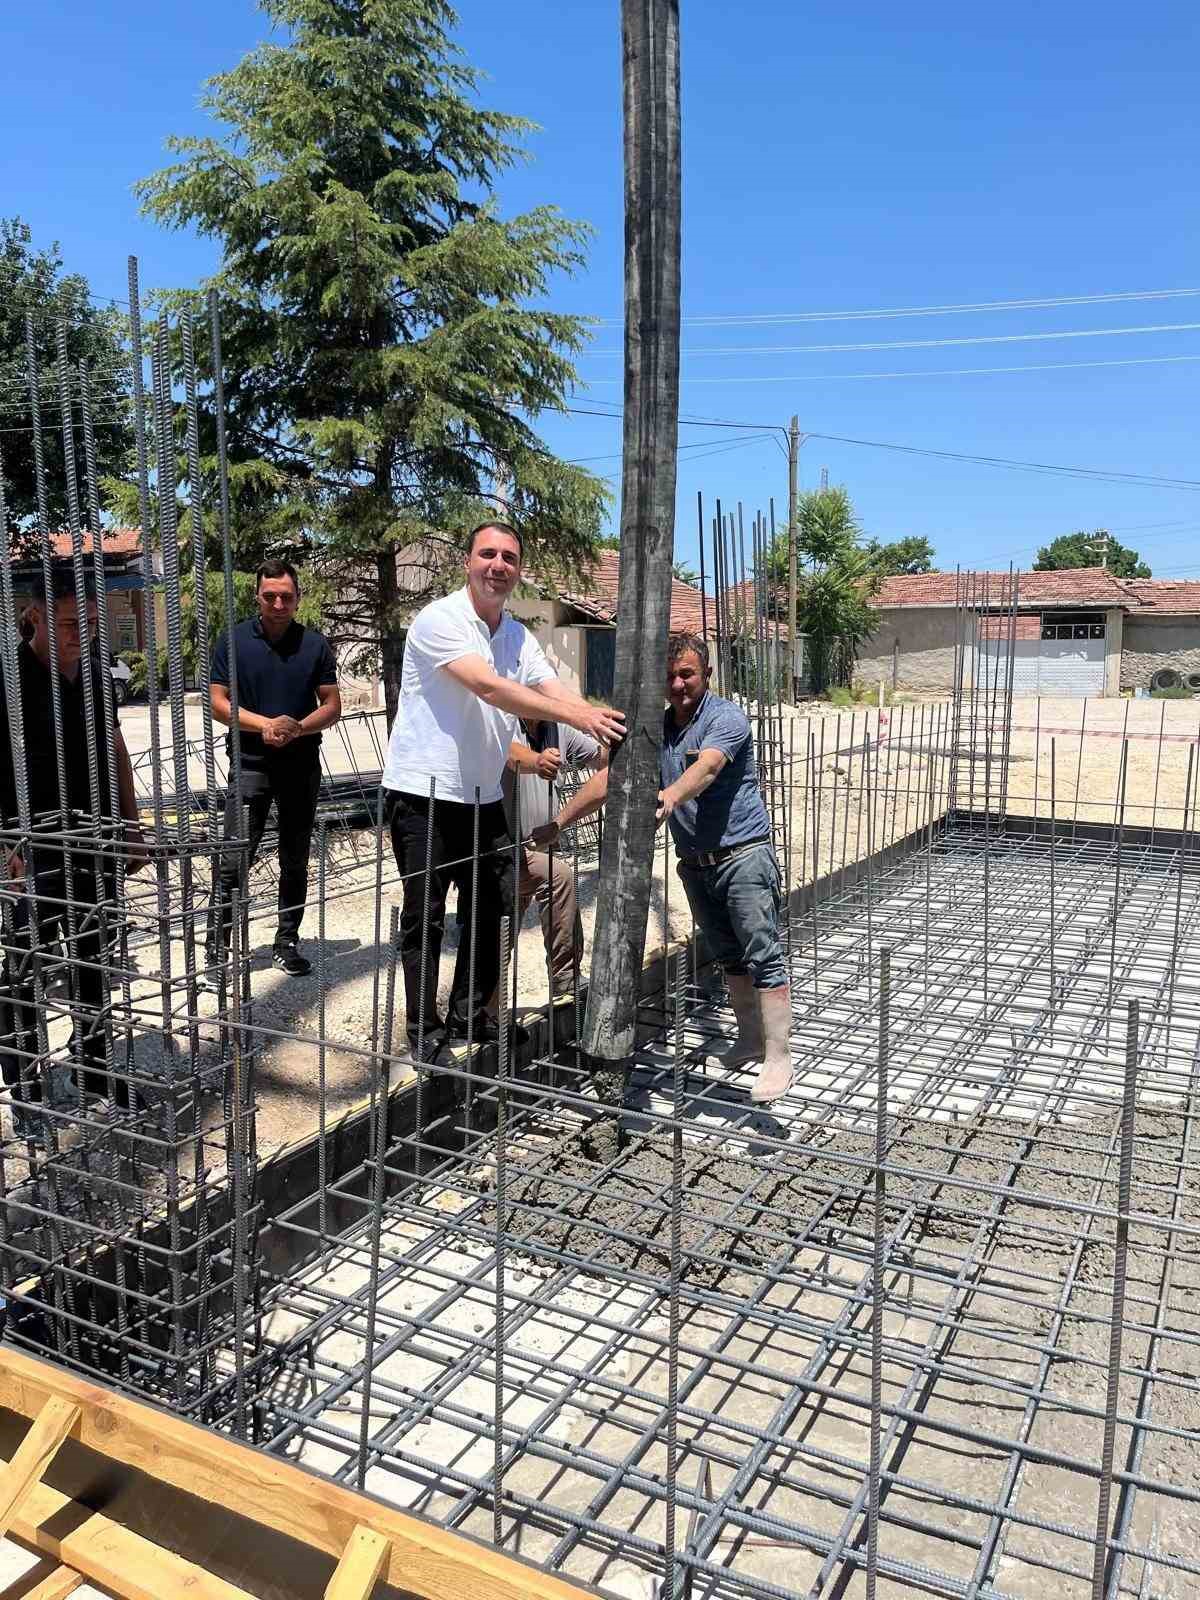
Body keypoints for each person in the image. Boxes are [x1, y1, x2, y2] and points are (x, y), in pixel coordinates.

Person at [383, 521, 624, 1061]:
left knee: (490, 903)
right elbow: (492, 688)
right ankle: (424, 1030)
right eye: (487, 554)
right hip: (423, 792)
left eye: (509, 558)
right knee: (426, 912)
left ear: (518, 570)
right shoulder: (440, 620)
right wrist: (577, 715)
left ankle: (471, 1014)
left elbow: (552, 687)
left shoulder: (515, 634)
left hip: (481, 795)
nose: (497, 565)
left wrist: (593, 714)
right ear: (468, 562)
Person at [534, 631, 792, 1103]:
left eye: (687, 674)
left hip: (743, 856)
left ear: (707, 675)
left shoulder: (724, 718)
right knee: (729, 955)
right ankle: (751, 1039)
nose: (677, 684)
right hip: (695, 862)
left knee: (763, 953)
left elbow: (708, 767)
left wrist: (670, 795)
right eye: (670, 676)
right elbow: (611, 776)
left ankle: (779, 1057)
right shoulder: (657, 727)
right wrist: (559, 821)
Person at [0, 567, 148, 1120]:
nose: (79, 633)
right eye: (67, 623)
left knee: (92, 956)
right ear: (35, 616)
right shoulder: (9, 679)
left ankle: (95, 1070)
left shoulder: (93, 676)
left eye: (89, 622)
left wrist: (132, 829)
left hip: (93, 840)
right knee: (23, 966)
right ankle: (27, 1087)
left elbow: (116, 753)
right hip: (26, 845)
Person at [206, 560, 341, 978]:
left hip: (301, 766)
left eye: (286, 596)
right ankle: (216, 947)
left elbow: (332, 706)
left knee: (295, 859)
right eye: (270, 596)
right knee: (234, 858)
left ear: (298, 598)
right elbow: (215, 702)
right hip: (250, 765)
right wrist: (264, 724)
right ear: (257, 596)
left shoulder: (315, 645)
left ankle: (287, 942)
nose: (279, 603)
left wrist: (296, 727)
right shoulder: (232, 641)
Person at [500, 717, 607, 1001]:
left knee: (501, 935)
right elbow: (507, 752)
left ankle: (488, 1011)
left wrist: (621, 743)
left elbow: (603, 760)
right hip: (502, 851)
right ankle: (564, 977)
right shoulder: (503, 721)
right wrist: (538, 761)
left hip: (536, 850)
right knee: (558, 876)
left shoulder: (558, 729)